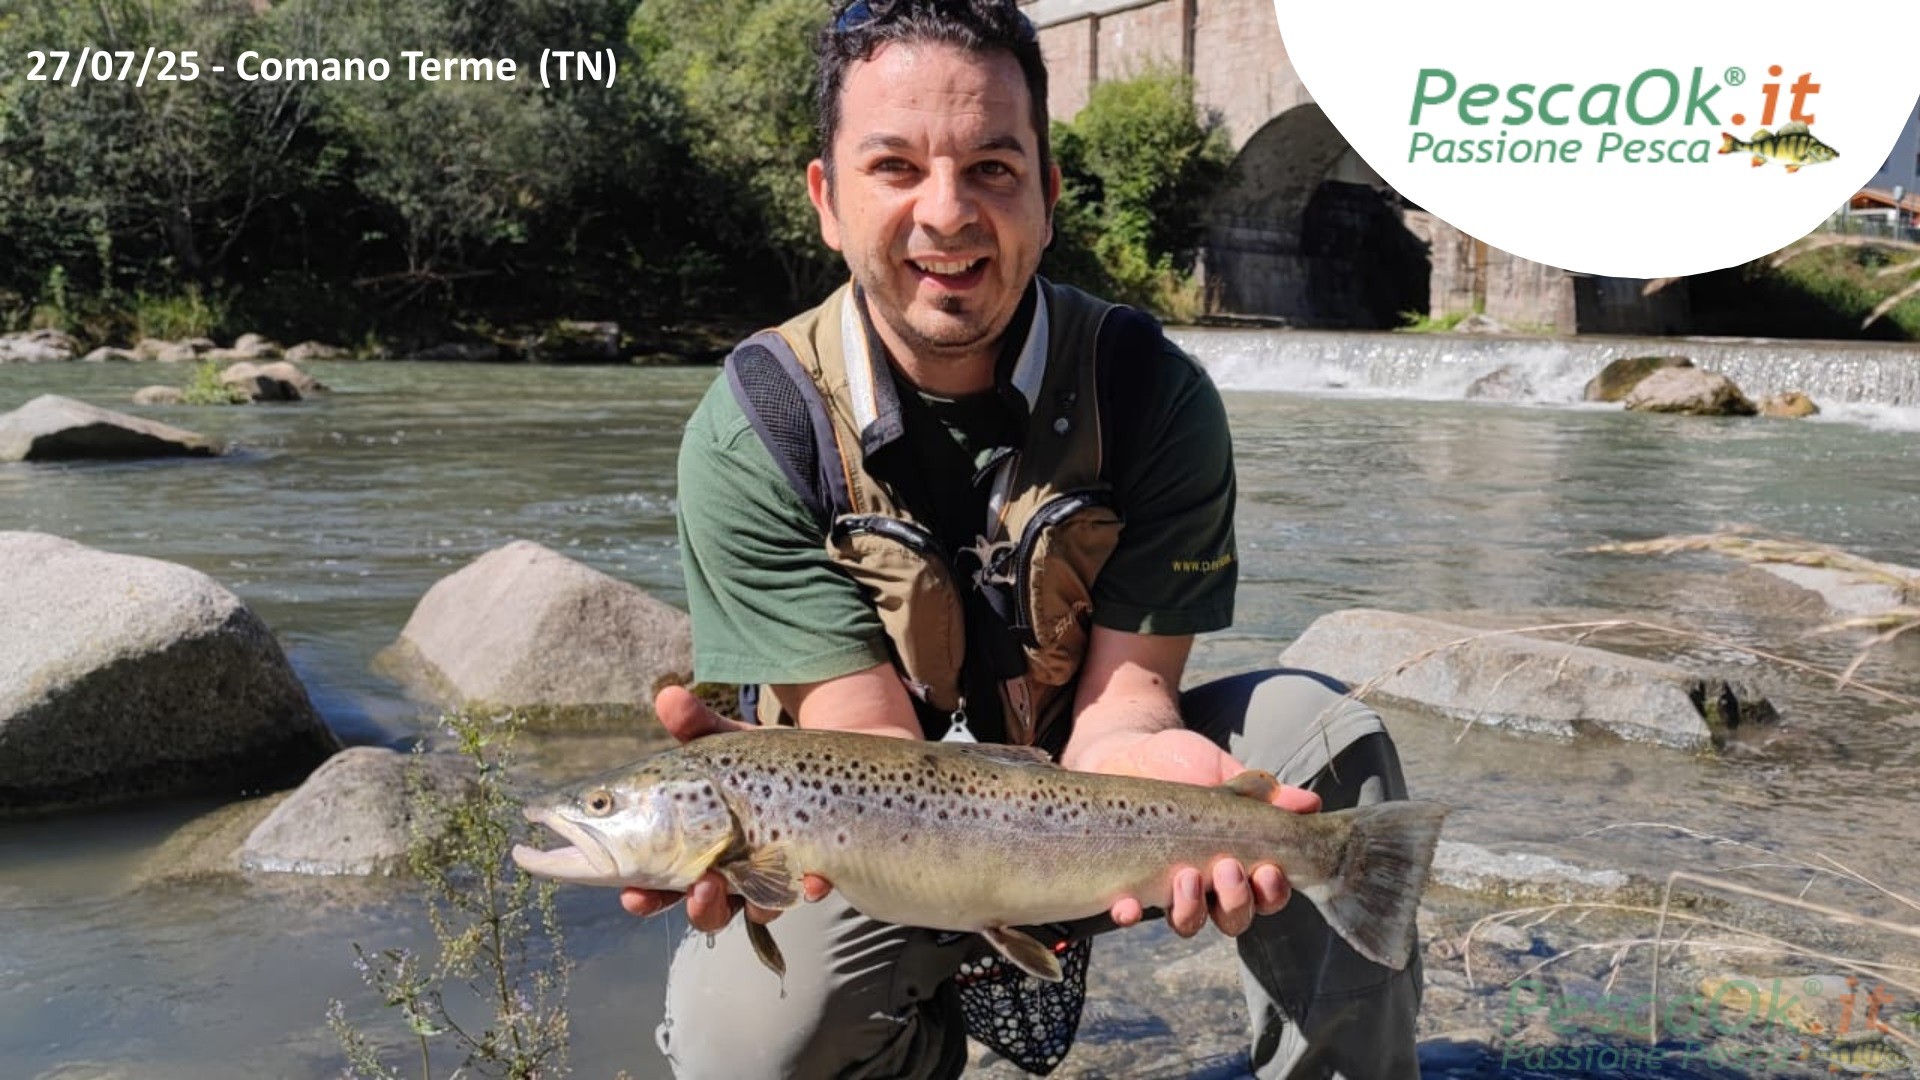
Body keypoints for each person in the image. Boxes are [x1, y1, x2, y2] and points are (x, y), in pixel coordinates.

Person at [623, 1, 1423, 1076]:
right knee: (746, 1044)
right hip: (878, 844)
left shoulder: (1153, 393)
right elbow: (870, 757)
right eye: (895, 167)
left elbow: (1127, 705)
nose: (946, 214)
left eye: (993, 168)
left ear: (1047, 197)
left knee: (1322, 736)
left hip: (1090, 804)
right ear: (827, 199)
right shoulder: (755, 432)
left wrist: (1158, 777)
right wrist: (752, 831)